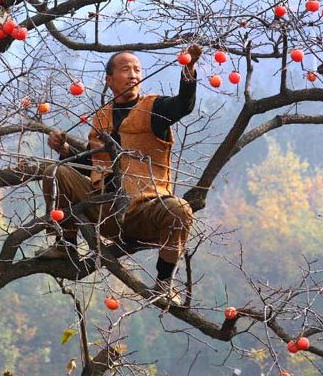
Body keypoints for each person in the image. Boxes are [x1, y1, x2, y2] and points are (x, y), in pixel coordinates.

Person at [36, 46, 202, 304]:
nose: (133, 74)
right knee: (56, 171)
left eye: (137, 69)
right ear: (109, 80)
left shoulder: (154, 108)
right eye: (125, 69)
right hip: (105, 210)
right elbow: (93, 164)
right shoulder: (101, 118)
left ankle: (164, 282)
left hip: (143, 210)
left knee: (179, 209)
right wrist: (65, 150)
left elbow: (183, 105)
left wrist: (188, 69)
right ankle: (66, 246)